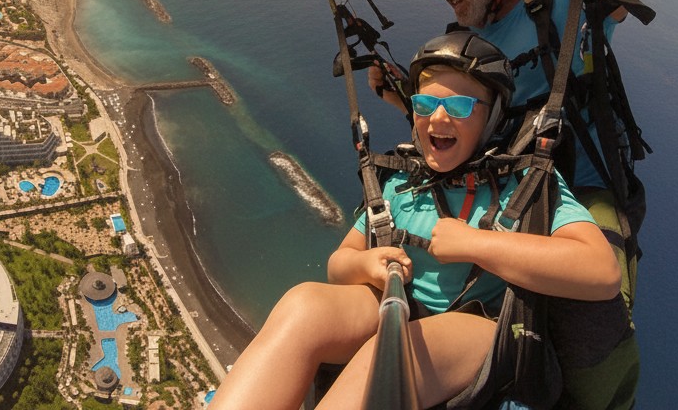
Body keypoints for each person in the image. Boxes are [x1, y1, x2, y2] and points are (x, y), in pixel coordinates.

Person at [369, 0, 678, 409]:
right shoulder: (464, 48)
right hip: (505, 193)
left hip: (580, 190)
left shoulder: (558, 7)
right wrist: (403, 103)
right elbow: (474, 121)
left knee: (590, 328)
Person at [208, 32, 620, 410]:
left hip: (479, 329)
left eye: (459, 106)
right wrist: (365, 264)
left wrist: (475, 243)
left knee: (392, 351)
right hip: (396, 304)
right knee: (303, 306)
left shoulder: (525, 182)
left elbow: (601, 271)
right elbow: (339, 264)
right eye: (425, 105)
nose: (438, 118)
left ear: (493, 116)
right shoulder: (401, 181)